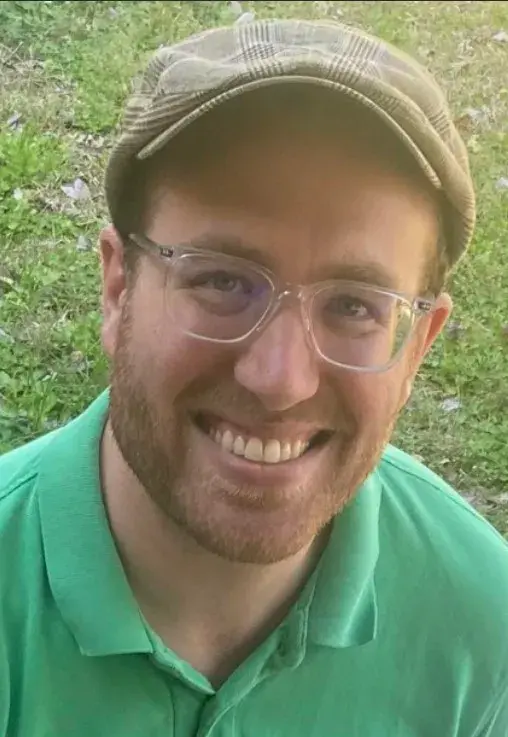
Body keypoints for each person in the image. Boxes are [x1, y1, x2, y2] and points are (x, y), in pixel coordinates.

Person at [1, 17, 507, 737]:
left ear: (417, 347)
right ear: (118, 289)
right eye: (222, 281)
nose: (280, 379)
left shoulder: (482, 629)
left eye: (354, 306)